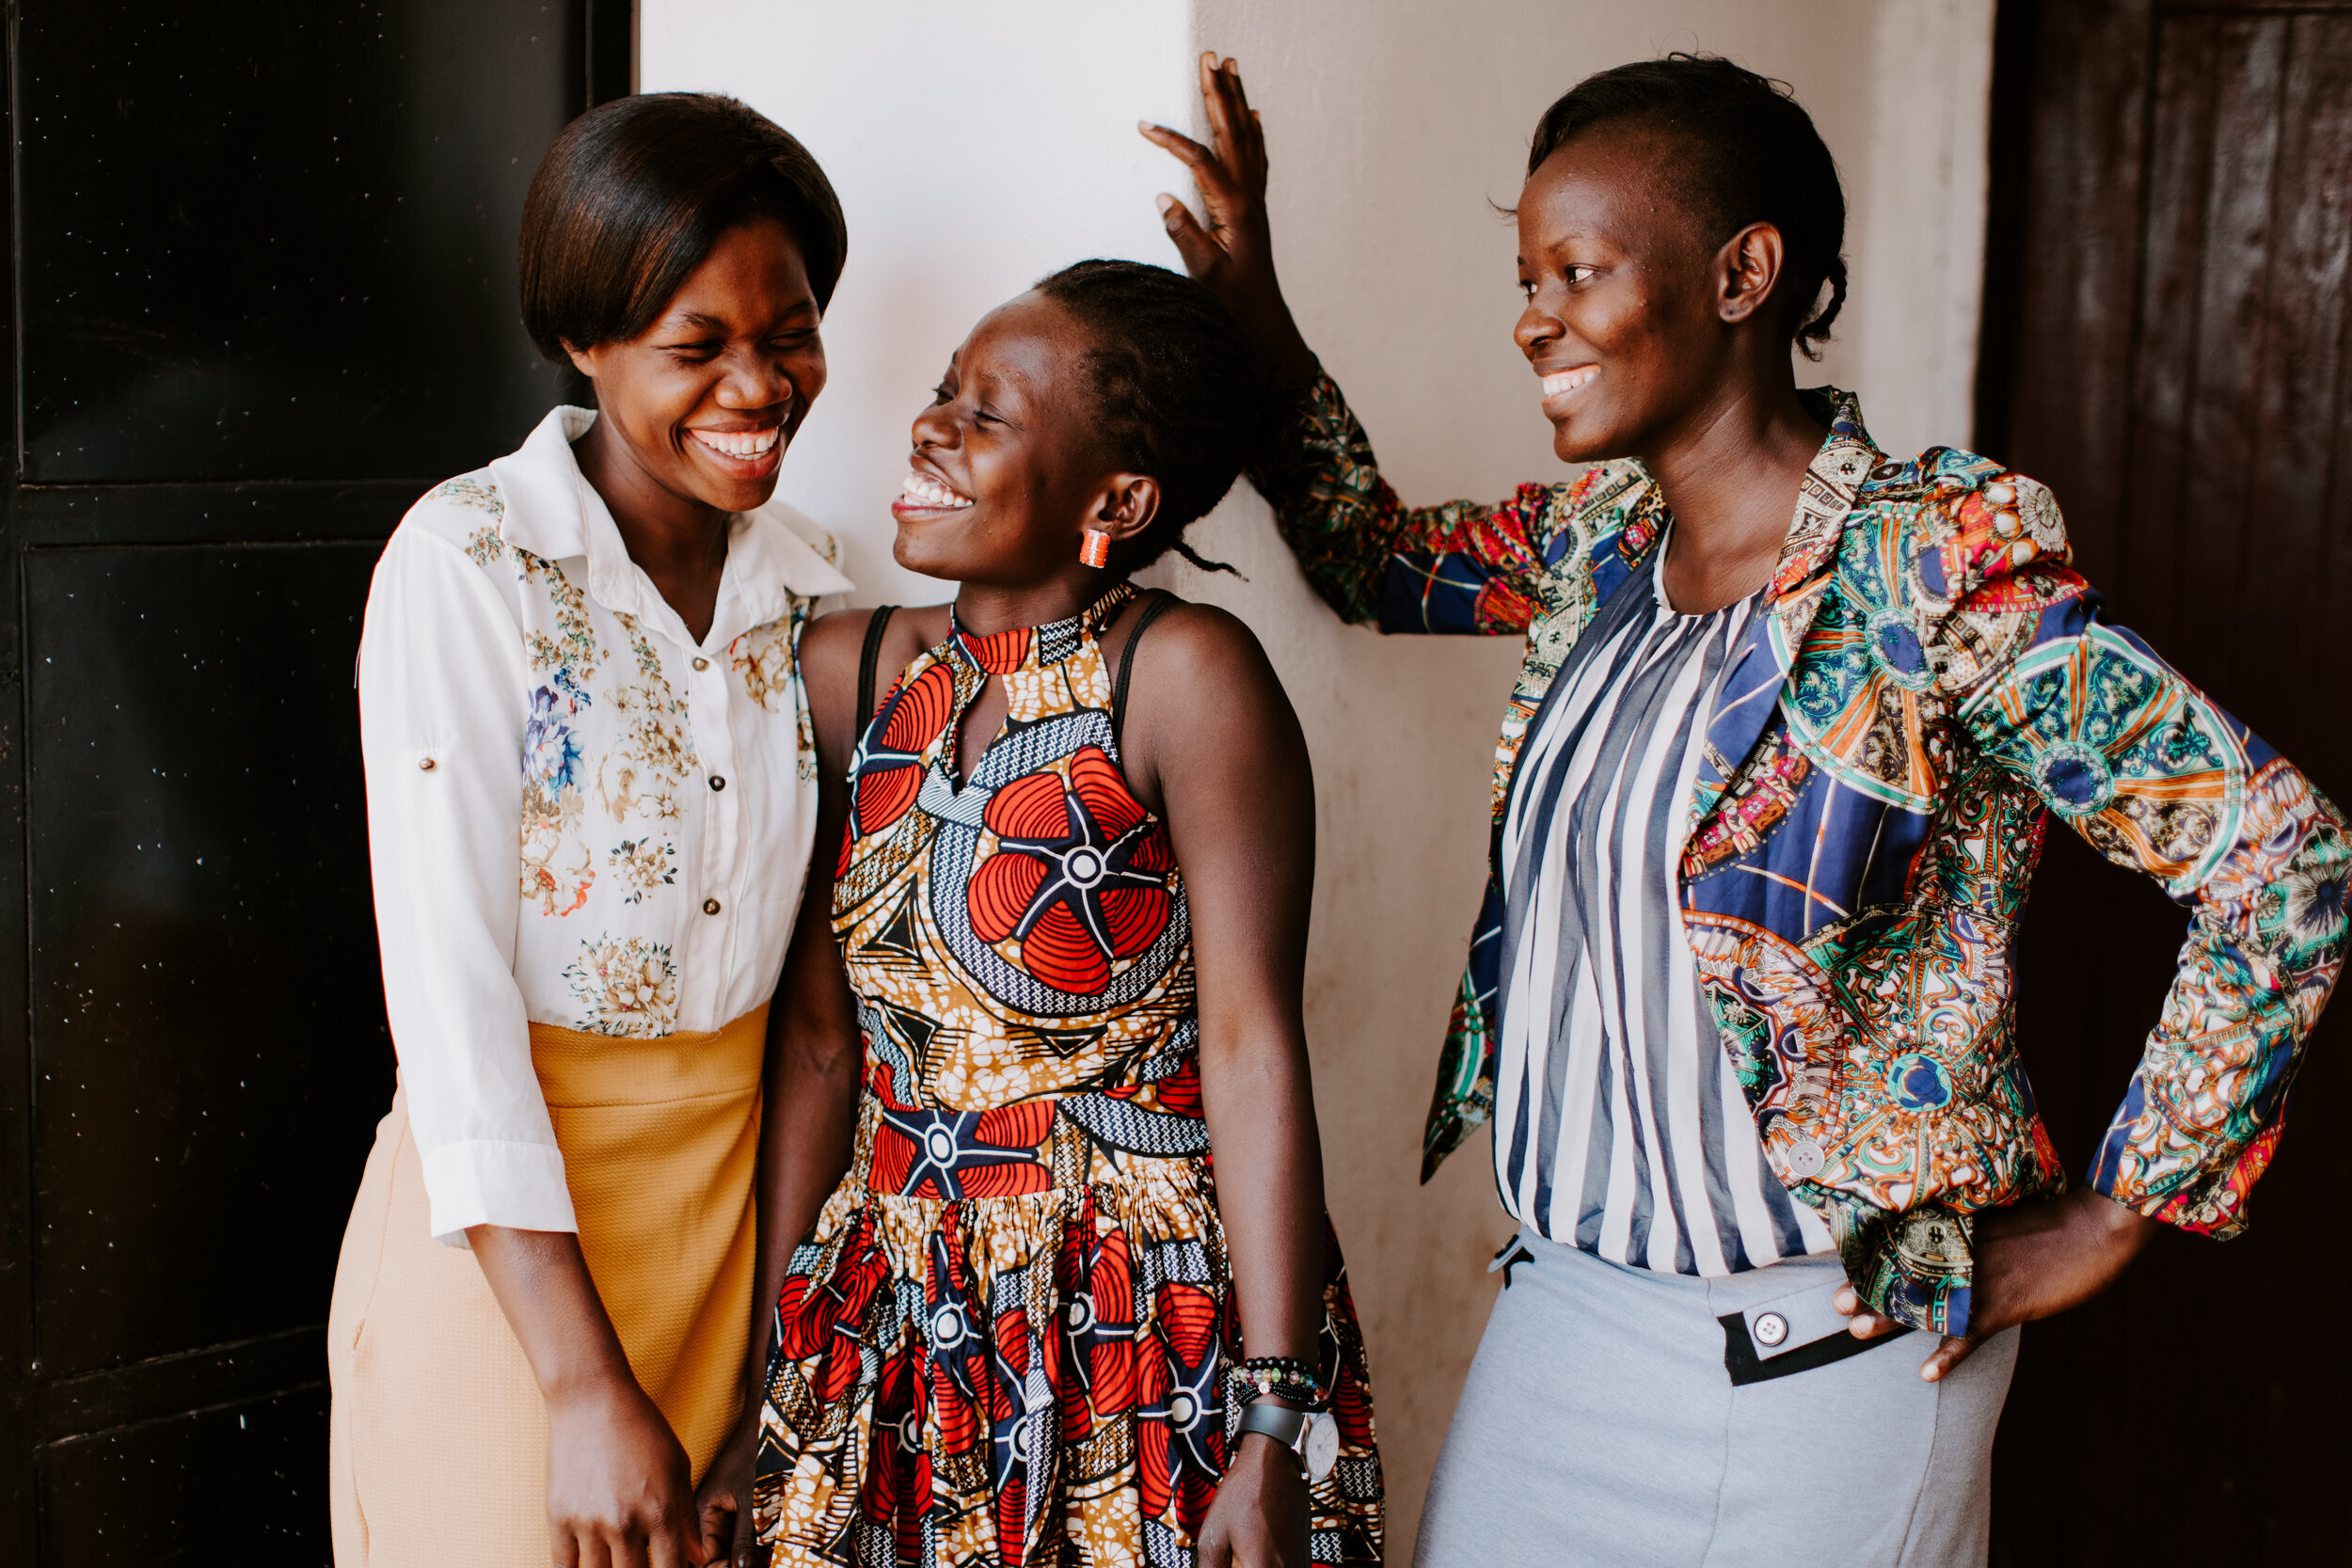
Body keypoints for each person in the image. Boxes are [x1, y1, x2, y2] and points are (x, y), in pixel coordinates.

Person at [1143, 51, 2350, 1566]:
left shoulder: (1929, 569)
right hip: (1568, 1324)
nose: (1534, 317)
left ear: (1742, 273)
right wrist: (1258, 321)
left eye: (1575, 271)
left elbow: (2280, 851)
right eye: (1526, 276)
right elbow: (1369, 556)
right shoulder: (1597, 548)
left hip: (1830, 1365)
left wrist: (2119, 1213)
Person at [733, 259, 1383, 1568]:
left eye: (985, 414)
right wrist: (765, 1380)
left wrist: (1270, 1420)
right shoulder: (842, 671)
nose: (930, 430)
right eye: (939, 397)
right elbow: (818, 1047)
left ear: (1117, 498)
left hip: (1136, 1327)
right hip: (894, 1310)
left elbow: (1252, 1048)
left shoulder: (1182, 678)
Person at [327, 93, 854, 1568]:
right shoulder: (469, 562)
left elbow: (822, 1007)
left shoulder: (819, 592)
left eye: (792, 331)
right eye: (698, 347)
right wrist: (576, 1383)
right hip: (505, 1246)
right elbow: (449, 998)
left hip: (737, 1232)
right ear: (583, 339)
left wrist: (776, 1365)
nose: (758, 386)